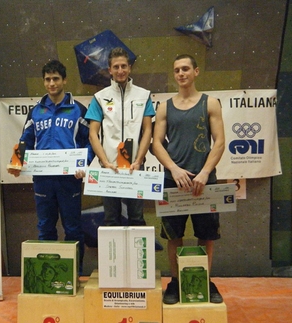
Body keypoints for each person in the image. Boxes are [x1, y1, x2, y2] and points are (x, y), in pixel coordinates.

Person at [8, 60, 94, 275]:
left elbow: (91, 142)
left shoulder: (78, 110)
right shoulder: (36, 111)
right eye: (48, 79)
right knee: (45, 227)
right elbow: (25, 140)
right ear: (44, 82)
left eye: (56, 78)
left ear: (64, 80)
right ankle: (49, 275)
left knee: (73, 228)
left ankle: (75, 274)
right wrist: (17, 162)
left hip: (69, 179)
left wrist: (83, 164)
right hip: (43, 180)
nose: (52, 83)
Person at [152, 54, 225, 304]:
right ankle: (175, 282)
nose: (181, 73)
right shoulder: (164, 107)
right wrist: (173, 168)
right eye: (176, 70)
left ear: (196, 72)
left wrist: (205, 172)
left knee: (207, 235)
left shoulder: (211, 103)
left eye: (185, 69)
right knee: (174, 236)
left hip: (204, 181)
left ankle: (203, 280)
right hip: (174, 181)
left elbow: (220, 141)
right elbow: (156, 143)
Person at [85, 47, 155, 226]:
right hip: (109, 168)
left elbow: (148, 130)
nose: (120, 70)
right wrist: (104, 161)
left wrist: (139, 160)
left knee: (137, 218)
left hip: (135, 166)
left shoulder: (143, 95)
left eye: (124, 66)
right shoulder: (100, 97)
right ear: (110, 70)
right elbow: (93, 133)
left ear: (130, 67)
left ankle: (136, 254)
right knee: (110, 219)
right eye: (116, 67)